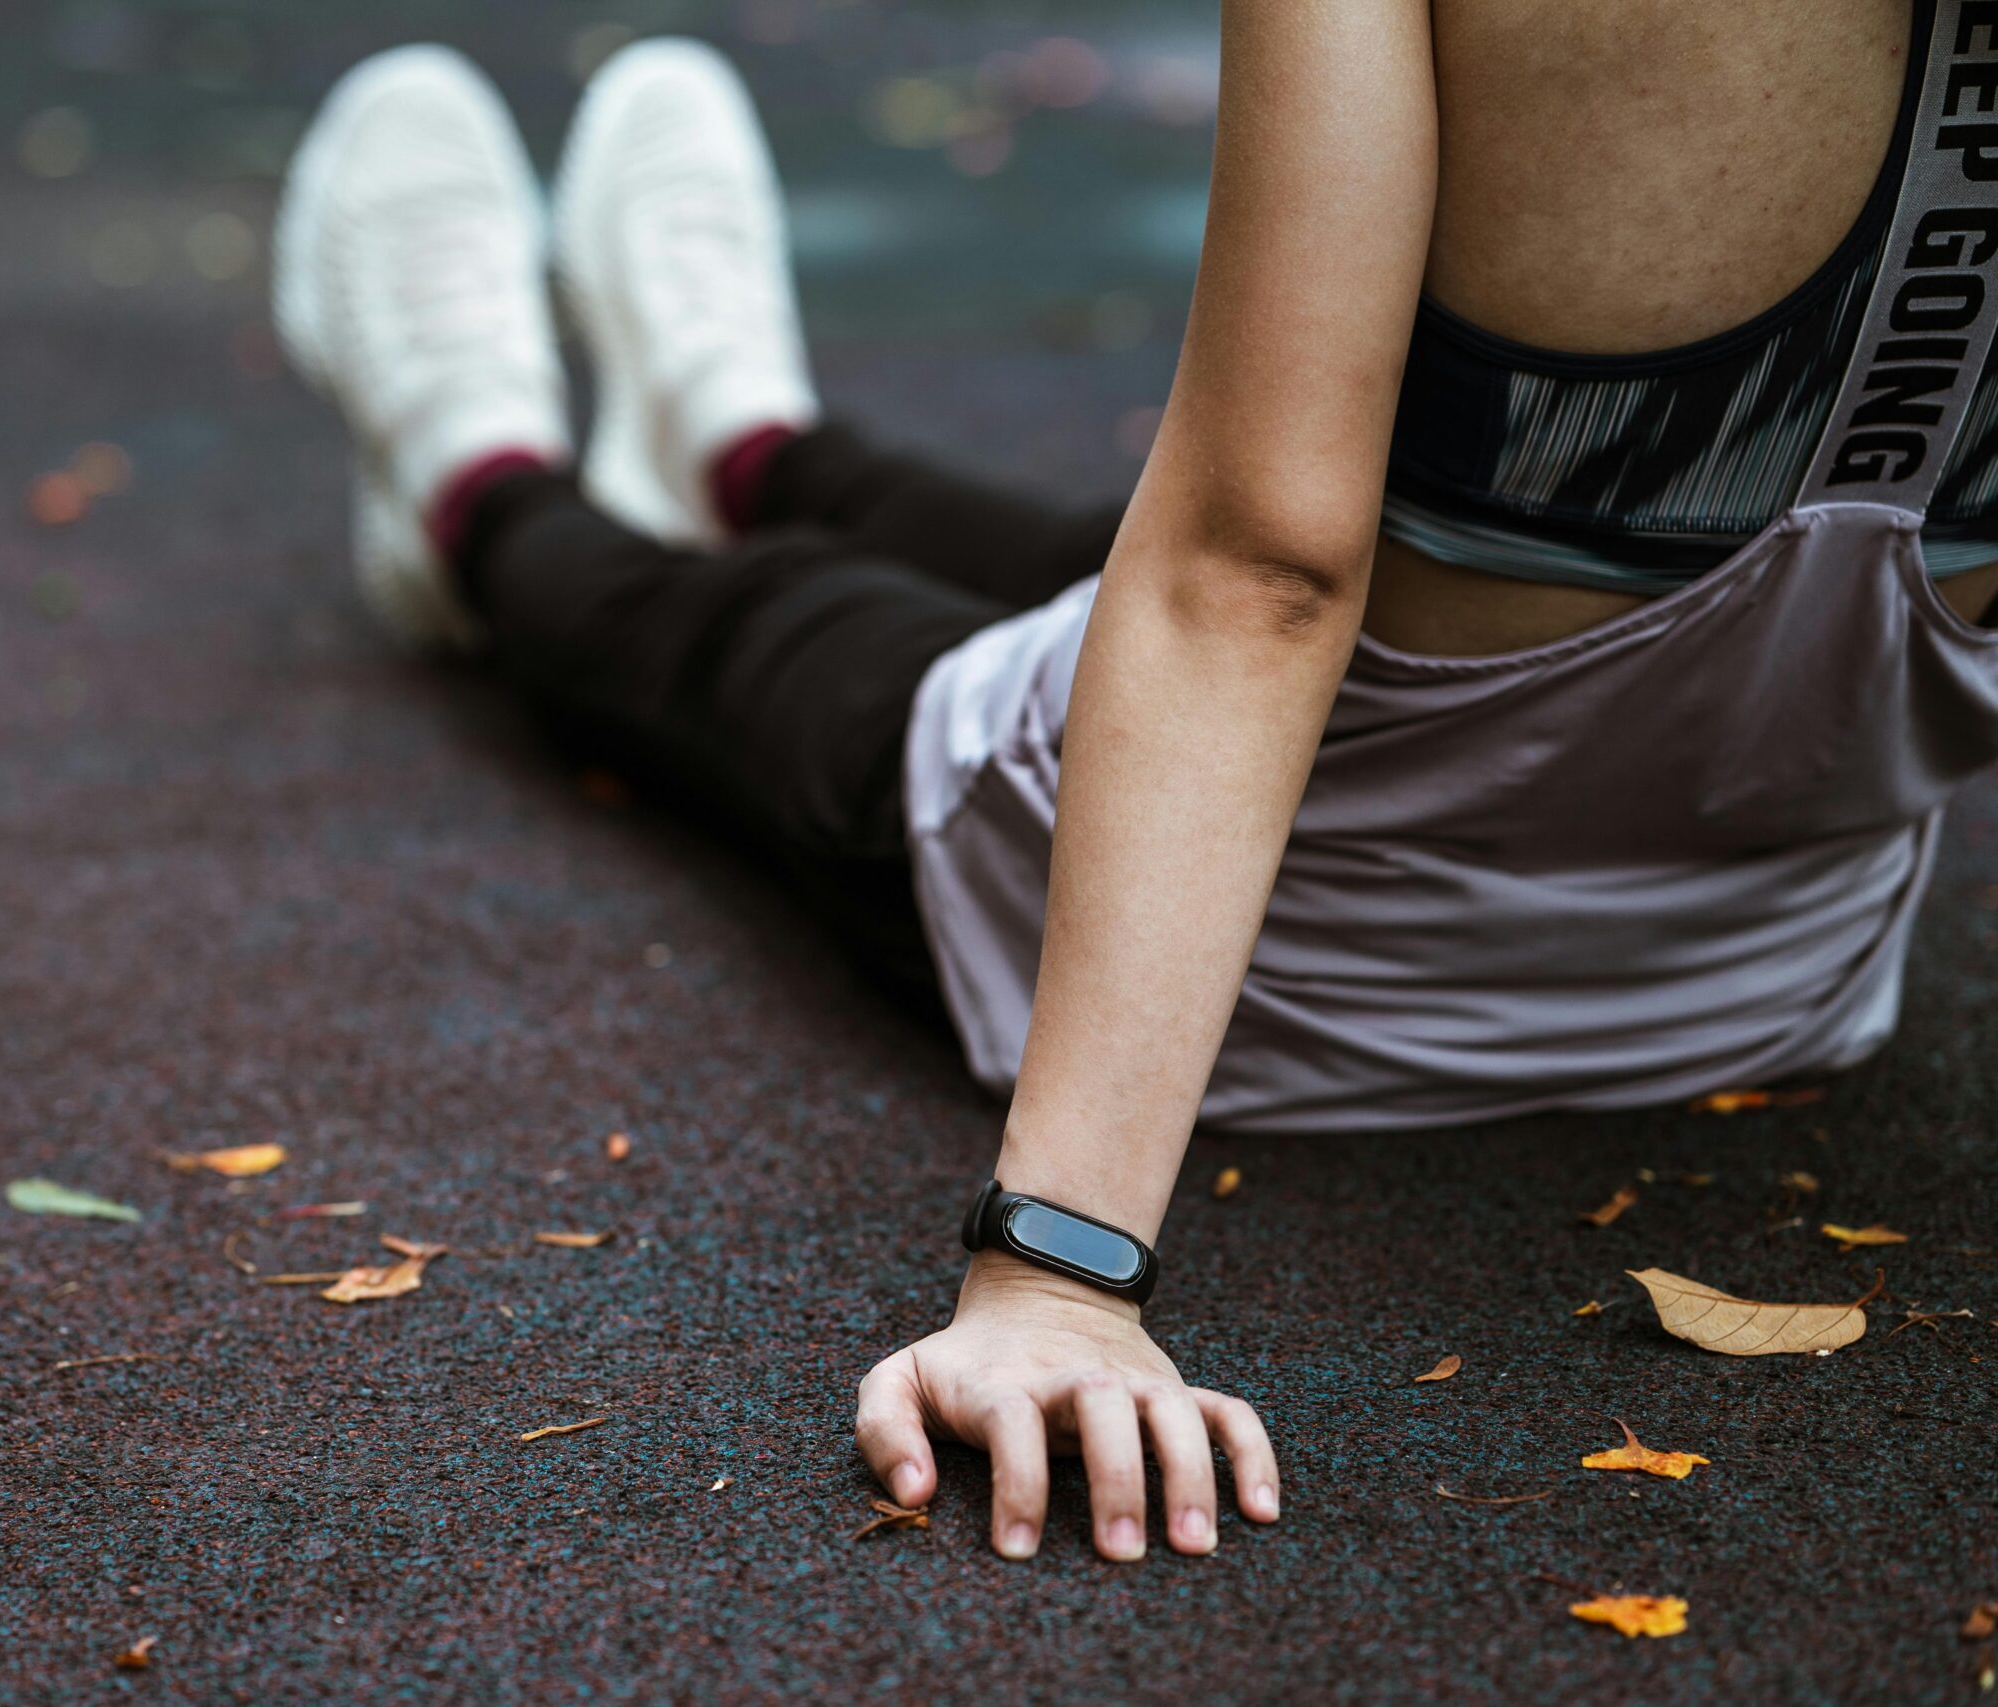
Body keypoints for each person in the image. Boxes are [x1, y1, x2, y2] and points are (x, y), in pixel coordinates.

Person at [272, 4, 1998, 1564]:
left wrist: (1059, 1276)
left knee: (761, 636)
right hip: (1777, 967)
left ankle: (469, 478)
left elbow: (1257, 580)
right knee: (1165, 570)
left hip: (1294, 983)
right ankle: (751, 442)